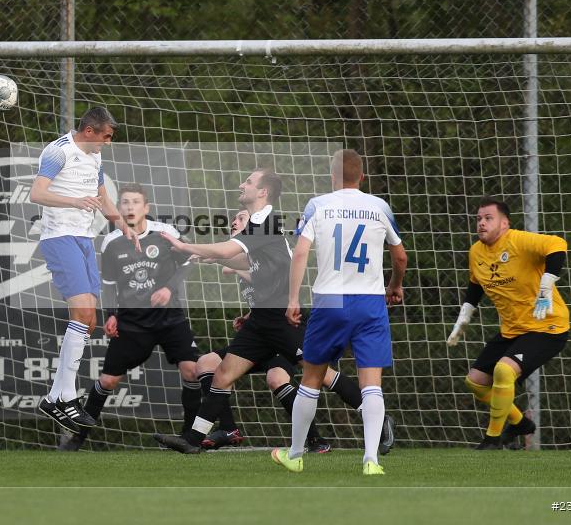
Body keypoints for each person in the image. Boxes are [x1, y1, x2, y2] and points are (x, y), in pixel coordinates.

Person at [199, 209, 394, 454]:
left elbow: (276, 282)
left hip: (286, 330)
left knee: (308, 375)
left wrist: (218, 258)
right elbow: (267, 295)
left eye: (240, 218)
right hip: (261, 334)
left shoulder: (269, 250)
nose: (234, 222)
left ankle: (369, 417)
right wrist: (249, 316)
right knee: (207, 362)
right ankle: (226, 429)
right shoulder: (251, 258)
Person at [153, 168, 310, 453]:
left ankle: (356, 417)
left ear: (263, 192)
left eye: (248, 182)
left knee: (319, 374)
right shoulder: (256, 234)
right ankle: (194, 440)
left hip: (284, 321)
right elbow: (239, 263)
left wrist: (185, 246)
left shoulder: (267, 225)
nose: (242, 184)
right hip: (262, 325)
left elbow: (230, 256)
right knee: (219, 372)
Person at [272, 149, 406, 476]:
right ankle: (371, 460)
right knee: (371, 382)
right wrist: (394, 285)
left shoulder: (318, 204)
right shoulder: (379, 207)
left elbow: (301, 251)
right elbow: (400, 257)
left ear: (332, 177)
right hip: (370, 302)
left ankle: (295, 454)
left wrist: (293, 298)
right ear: (362, 177)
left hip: (329, 299)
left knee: (311, 378)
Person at [58, 183, 200, 450]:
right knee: (108, 380)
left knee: (192, 371)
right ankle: (77, 437)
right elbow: (110, 285)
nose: (129, 207)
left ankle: (189, 438)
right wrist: (111, 315)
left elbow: (189, 261)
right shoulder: (111, 242)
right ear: (118, 209)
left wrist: (169, 288)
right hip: (133, 323)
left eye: (135, 202)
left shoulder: (165, 233)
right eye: (124, 202)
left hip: (170, 319)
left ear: (146, 207)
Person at [29, 107, 139, 433]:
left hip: (84, 239)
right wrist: (74, 202)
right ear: (89, 131)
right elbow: (37, 193)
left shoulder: (94, 157)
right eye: (105, 136)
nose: (107, 142)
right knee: (82, 312)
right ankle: (63, 396)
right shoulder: (58, 151)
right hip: (59, 237)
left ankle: (57, 397)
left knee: (88, 320)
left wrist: (122, 225)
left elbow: (102, 196)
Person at [446, 197, 569, 450]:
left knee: (503, 370)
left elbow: (558, 245)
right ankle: (520, 423)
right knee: (475, 381)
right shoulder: (476, 252)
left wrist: (545, 286)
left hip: (547, 326)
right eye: (479, 219)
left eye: (488, 218)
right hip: (513, 330)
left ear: (504, 223)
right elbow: (475, 285)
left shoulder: (518, 240)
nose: (481, 223)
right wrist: (463, 318)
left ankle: (492, 440)